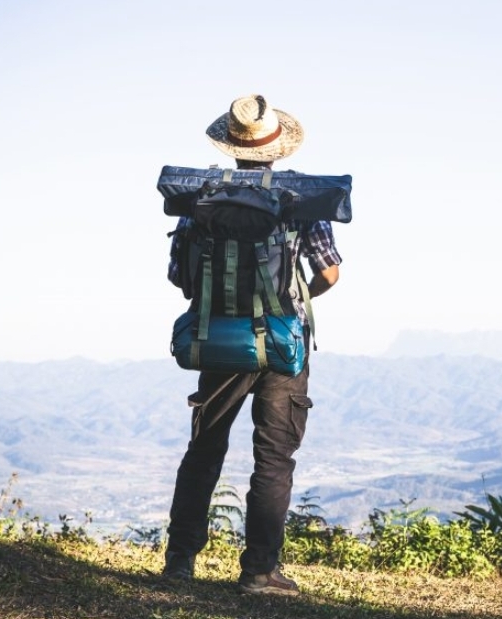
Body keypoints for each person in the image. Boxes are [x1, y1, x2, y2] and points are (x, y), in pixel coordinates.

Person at [162, 94, 342, 596]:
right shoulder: (298, 203)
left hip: (217, 340)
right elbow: (328, 272)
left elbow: (181, 278)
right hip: (285, 345)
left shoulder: (198, 204)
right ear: (277, 149)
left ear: (232, 148)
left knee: (204, 449)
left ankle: (180, 562)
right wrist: (296, 297)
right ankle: (260, 571)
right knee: (274, 456)